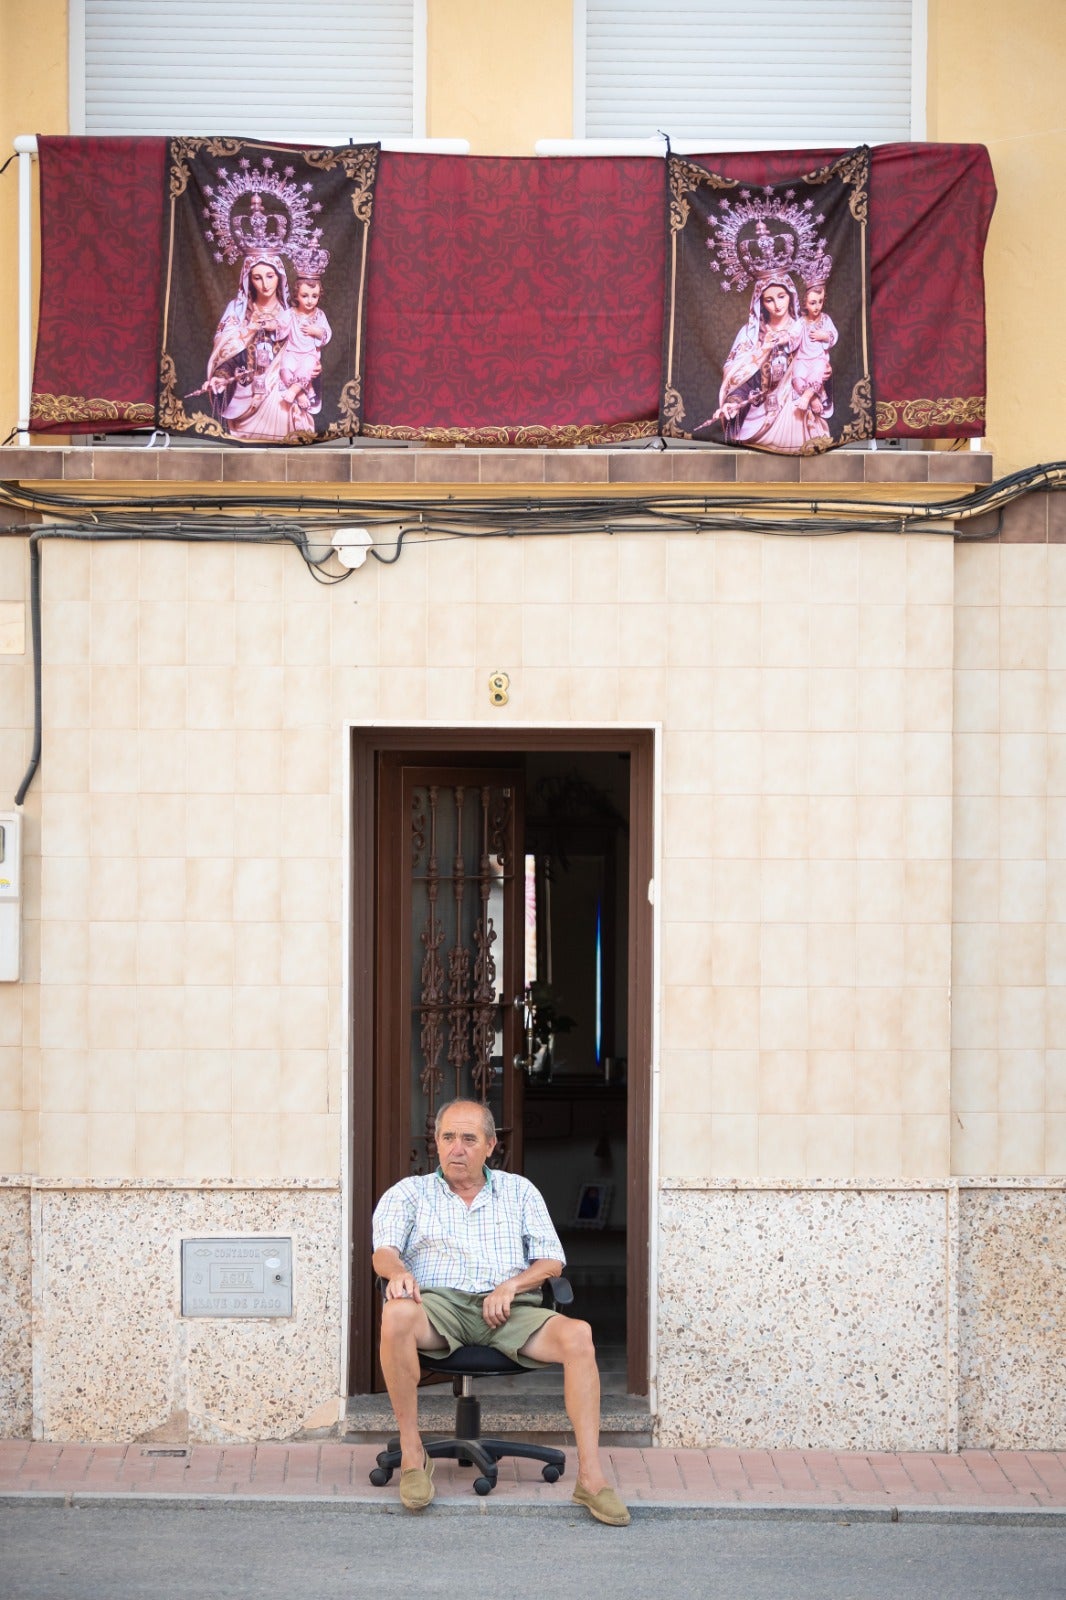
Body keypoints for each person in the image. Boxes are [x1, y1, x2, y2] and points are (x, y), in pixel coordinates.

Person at [371, 1098, 630, 1525]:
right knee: (396, 1313)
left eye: (469, 1139)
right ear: (436, 1142)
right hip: (440, 1308)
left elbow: (551, 1262)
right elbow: (384, 1252)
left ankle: (592, 1478)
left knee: (579, 1334)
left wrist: (512, 1285)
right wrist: (397, 1273)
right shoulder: (409, 1193)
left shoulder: (519, 1191)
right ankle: (414, 1454)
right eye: (448, 1137)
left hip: (509, 1309)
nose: (457, 1148)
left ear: (490, 1145)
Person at [699, 274, 819, 453]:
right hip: (756, 414)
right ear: (760, 302)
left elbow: (818, 368)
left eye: (781, 297)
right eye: (769, 300)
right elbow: (739, 380)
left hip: (792, 413)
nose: (777, 305)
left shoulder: (803, 330)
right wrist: (733, 401)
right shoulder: (749, 335)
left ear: (791, 296)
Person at [205, 252, 299, 442]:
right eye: (257, 277)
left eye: (270, 276)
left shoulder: (291, 314)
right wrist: (219, 378)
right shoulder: (237, 312)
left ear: (280, 276)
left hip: (279, 397)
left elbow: (304, 353)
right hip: (244, 396)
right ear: (248, 279)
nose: (265, 284)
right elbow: (226, 356)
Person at [283, 276, 332, 433]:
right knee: (284, 369)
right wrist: (270, 324)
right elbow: (279, 324)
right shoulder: (290, 313)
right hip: (291, 352)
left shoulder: (319, 315)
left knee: (307, 370)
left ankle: (295, 392)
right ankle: (302, 393)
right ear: (296, 295)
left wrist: (316, 331)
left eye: (314, 296)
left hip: (309, 355)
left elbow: (326, 334)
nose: (310, 301)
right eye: (305, 296)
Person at [792, 282, 838, 427]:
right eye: (812, 303)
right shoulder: (801, 322)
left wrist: (824, 335)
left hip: (818, 359)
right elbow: (792, 336)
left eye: (820, 302)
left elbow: (834, 334)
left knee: (819, 371)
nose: (817, 306)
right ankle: (813, 399)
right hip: (802, 359)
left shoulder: (825, 319)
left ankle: (806, 396)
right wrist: (785, 338)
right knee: (796, 377)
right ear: (805, 304)